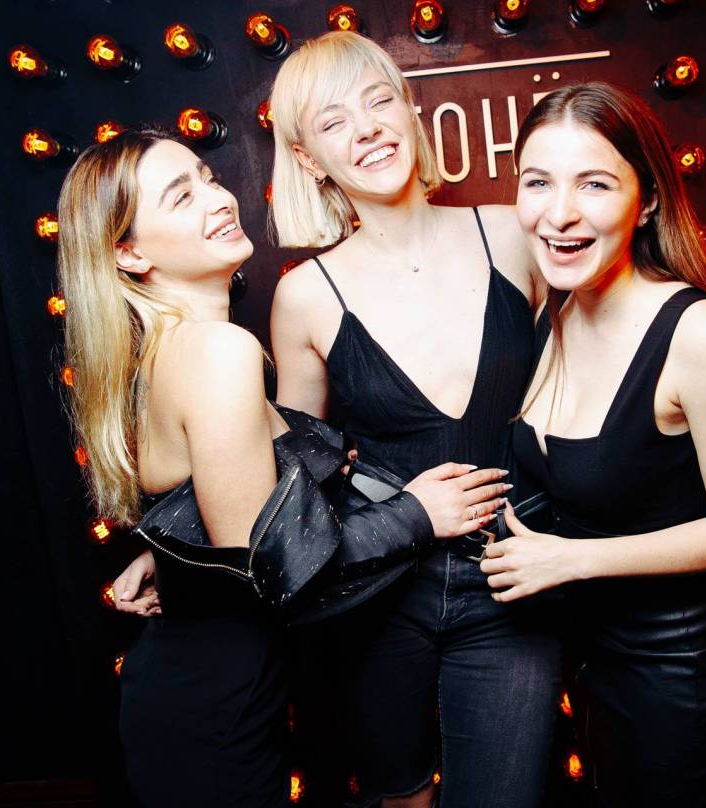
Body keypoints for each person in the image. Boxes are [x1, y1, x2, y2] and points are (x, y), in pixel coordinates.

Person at [58, 126, 510, 807]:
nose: (218, 199)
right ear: (130, 253)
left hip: (210, 696)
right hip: (216, 713)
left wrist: (174, 556)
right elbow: (273, 569)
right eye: (181, 197)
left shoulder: (166, 350)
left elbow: (217, 507)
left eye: (207, 178)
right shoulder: (217, 351)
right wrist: (418, 515)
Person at [268, 31, 560, 808]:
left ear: (408, 108)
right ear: (306, 159)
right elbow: (293, 475)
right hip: (378, 598)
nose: (366, 129)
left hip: (513, 581)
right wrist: (176, 553)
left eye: (378, 101)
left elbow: (592, 372)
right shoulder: (306, 295)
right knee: (400, 797)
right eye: (333, 122)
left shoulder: (512, 233)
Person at [479, 82, 706, 806]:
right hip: (586, 664)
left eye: (594, 184)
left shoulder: (698, 332)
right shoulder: (555, 313)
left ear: (646, 200)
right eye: (538, 182)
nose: (559, 213)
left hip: (677, 675)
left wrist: (569, 560)